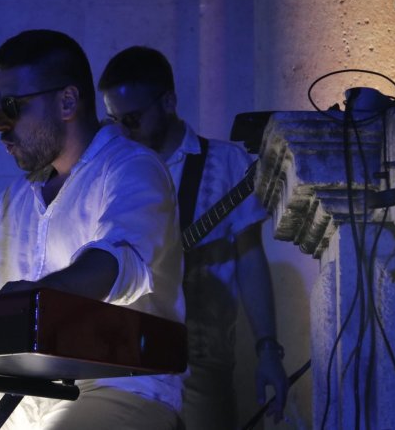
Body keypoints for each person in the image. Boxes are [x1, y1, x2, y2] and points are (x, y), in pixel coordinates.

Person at [0, 31, 185, 429]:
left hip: (114, 386)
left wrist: (31, 300)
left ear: (68, 101)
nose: (0, 126)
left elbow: (115, 264)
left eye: (12, 107)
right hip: (11, 396)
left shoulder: (131, 167)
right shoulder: (13, 201)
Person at [98, 46, 289, 429]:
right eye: (114, 121)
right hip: (124, 365)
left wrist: (268, 348)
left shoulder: (226, 163)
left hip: (201, 359)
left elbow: (250, 258)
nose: (124, 132)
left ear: (168, 101)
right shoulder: (113, 173)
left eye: (132, 119)